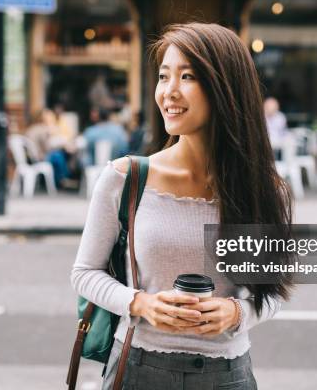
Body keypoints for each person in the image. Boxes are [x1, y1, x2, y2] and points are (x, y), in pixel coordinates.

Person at [71, 23, 293, 389]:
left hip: (228, 376)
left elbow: (271, 293)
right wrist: (139, 303)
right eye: (163, 76)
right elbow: (85, 273)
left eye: (187, 76)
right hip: (138, 369)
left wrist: (236, 312)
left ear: (225, 87)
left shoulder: (264, 189)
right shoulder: (125, 178)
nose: (168, 92)